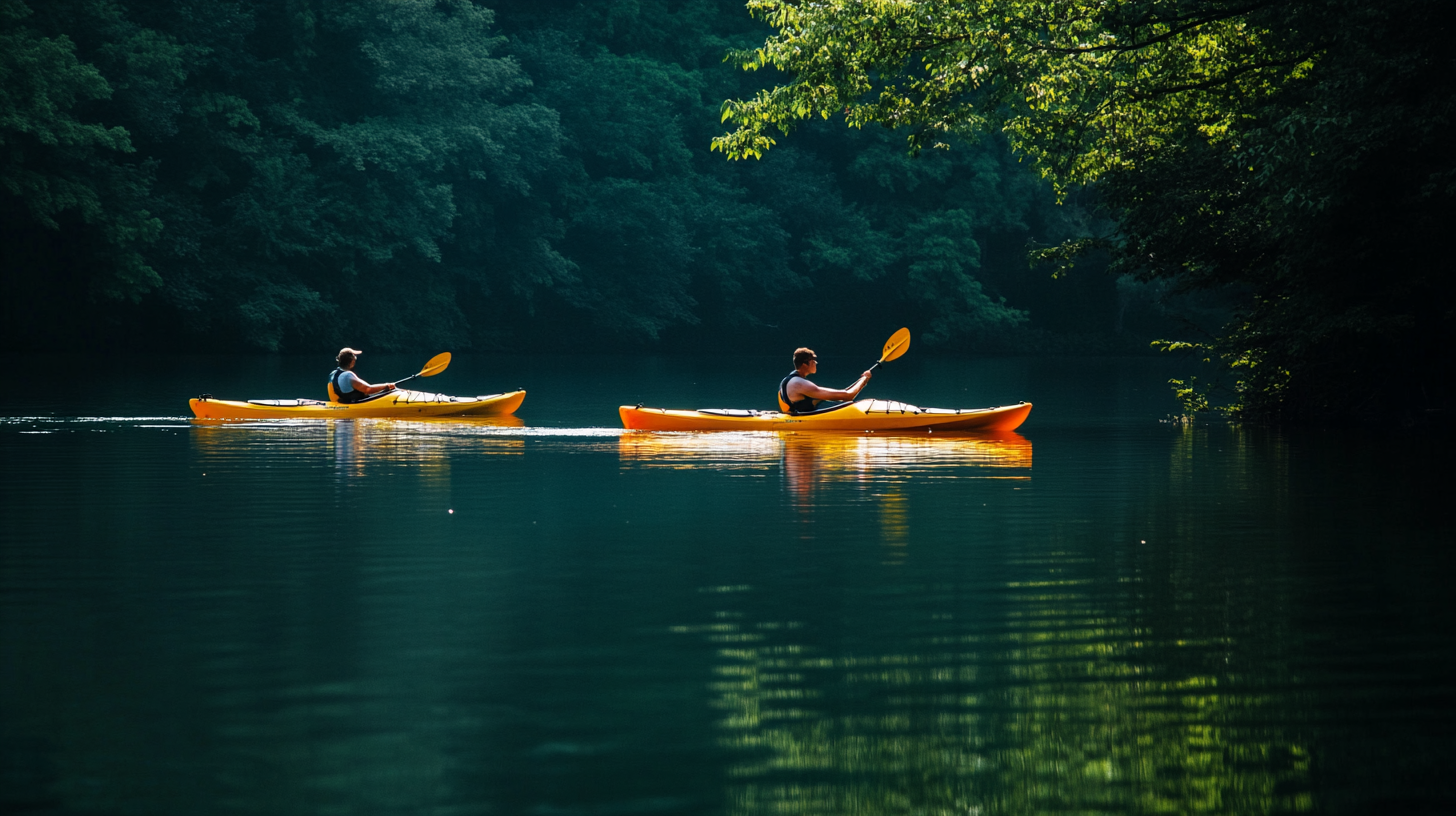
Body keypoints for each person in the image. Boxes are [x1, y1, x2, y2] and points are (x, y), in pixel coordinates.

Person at [779, 347, 872, 414]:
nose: (816, 362)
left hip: (804, 415)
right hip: (807, 419)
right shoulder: (799, 384)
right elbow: (848, 396)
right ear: (804, 364)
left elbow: (844, 393)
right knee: (848, 403)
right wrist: (865, 379)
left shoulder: (790, 380)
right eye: (813, 360)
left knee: (843, 403)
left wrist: (861, 380)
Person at [329, 347, 395, 404]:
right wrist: (386, 385)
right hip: (356, 404)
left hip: (344, 402)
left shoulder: (333, 374)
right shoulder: (348, 375)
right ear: (352, 361)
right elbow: (368, 389)